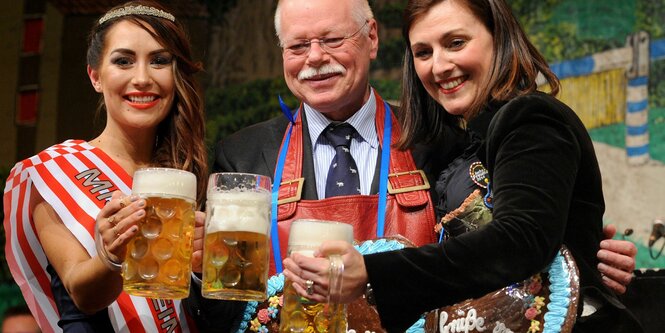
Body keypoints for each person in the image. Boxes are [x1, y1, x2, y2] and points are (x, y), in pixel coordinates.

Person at [282, 0, 644, 332]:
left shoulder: (530, 116)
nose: (439, 66)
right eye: (423, 52)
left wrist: (372, 273)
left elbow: (521, 239)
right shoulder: (462, 138)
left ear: (497, 37)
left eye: (455, 43)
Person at [3, 1, 207, 331]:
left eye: (159, 61)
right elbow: (82, 292)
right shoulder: (54, 174)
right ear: (95, 76)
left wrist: (202, 268)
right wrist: (110, 256)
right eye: (123, 61)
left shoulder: (189, 176)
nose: (142, 78)